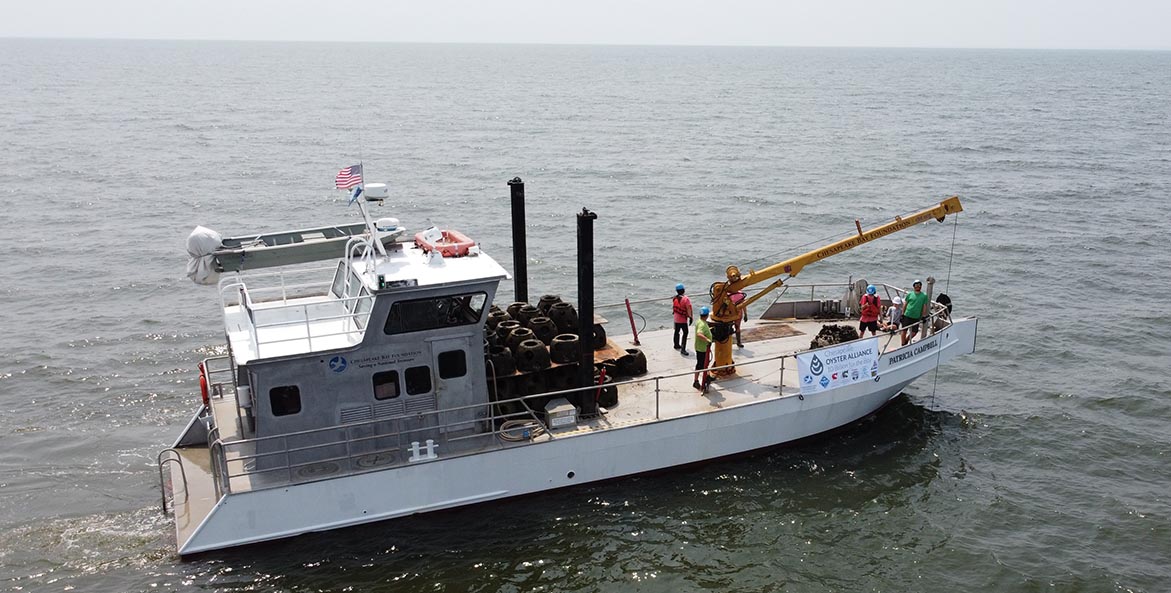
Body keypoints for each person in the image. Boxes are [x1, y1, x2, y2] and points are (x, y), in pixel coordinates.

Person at [901, 280, 929, 345]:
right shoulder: (910, 294)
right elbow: (905, 304)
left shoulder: (924, 296)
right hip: (907, 315)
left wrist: (923, 316)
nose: (918, 286)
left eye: (919, 285)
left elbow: (924, 306)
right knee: (904, 330)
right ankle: (903, 344)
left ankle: (906, 340)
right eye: (916, 285)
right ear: (913, 286)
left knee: (914, 332)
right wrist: (902, 313)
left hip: (916, 317)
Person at [693, 306, 713, 391]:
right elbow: (699, 334)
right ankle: (696, 381)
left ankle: (707, 376)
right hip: (702, 349)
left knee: (705, 363)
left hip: (701, 347)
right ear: (707, 315)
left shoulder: (699, 321)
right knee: (701, 365)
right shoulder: (702, 324)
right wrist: (707, 339)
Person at [671, 283, 693, 356]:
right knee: (685, 333)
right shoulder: (686, 299)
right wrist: (690, 317)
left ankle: (676, 345)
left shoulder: (674, 298)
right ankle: (683, 349)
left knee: (676, 331)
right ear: (683, 290)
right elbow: (688, 308)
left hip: (676, 319)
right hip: (683, 320)